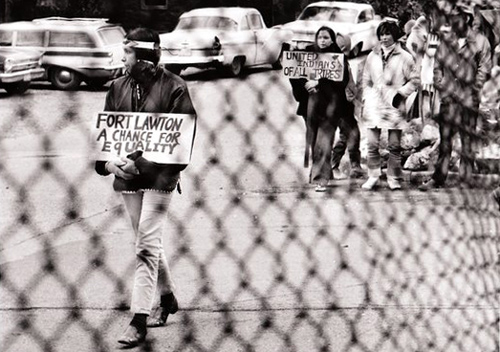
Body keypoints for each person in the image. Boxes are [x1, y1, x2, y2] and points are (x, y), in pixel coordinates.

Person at [94, 27, 196, 347]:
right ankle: (167, 297)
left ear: (143, 57)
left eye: (127, 53)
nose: (121, 57)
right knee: (146, 241)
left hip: (161, 179)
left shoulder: (176, 88)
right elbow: (107, 138)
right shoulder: (117, 87)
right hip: (127, 177)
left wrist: (144, 165)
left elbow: (180, 149)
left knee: (145, 246)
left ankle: (138, 320)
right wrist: (109, 164)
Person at [419, 2, 492, 190]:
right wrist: (444, 87)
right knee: (445, 140)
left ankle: (465, 179)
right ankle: (439, 177)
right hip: (449, 100)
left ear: (466, 19)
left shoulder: (481, 41)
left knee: (467, 141)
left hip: (469, 100)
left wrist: (473, 89)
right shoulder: (445, 41)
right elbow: (437, 69)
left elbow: (485, 69)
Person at [290, 32, 363, 181]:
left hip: (333, 106)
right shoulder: (308, 55)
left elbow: (342, 82)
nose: (322, 41)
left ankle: (322, 175)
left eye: (326, 38)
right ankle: (323, 172)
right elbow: (295, 74)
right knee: (315, 140)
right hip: (310, 106)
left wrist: (319, 83)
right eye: (320, 38)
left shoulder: (338, 59)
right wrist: (306, 85)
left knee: (325, 141)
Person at [360, 20, 420, 191]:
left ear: (395, 35)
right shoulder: (372, 56)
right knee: (372, 144)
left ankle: (393, 177)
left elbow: (415, 80)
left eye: (387, 34)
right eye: (381, 34)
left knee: (394, 146)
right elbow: (366, 79)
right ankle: (373, 176)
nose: (384, 38)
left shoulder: (405, 57)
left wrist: (401, 94)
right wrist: (366, 97)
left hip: (394, 105)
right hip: (374, 104)